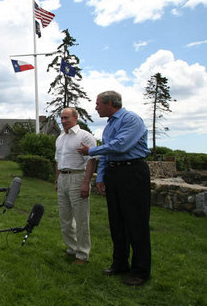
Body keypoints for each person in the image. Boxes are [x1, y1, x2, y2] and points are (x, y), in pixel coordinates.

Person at [77, 91, 151, 286]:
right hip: (114, 173)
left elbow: (120, 146)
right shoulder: (109, 125)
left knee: (136, 223)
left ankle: (141, 271)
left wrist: (90, 150)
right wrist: (100, 177)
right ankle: (120, 264)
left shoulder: (131, 119)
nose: (95, 108)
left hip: (133, 172)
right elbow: (108, 153)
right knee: (117, 222)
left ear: (110, 104)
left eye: (98, 104)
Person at [54, 108, 97, 266]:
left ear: (76, 118)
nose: (64, 120)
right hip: (63, 178)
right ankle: (72, 248)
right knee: (65, 218)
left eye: (67, 117)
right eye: (62, 118)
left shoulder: (85, 136)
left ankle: (82, 254)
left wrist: (86, 182)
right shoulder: (60, 138)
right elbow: (58, 161)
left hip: (78, 177)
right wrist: (57, 180)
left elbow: (92, 160)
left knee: (81, 218)